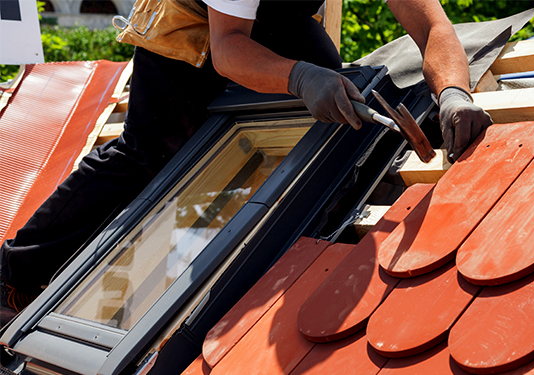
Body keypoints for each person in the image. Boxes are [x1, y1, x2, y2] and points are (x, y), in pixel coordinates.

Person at [0, 0, 492, 325]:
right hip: (192, 24)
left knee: (336, 106)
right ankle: (13, 274)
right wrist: (299, 79)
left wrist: (453, 91)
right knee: (147, 153)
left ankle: (300, 230)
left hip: (278, 16)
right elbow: (230, 47)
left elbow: (432, 27)